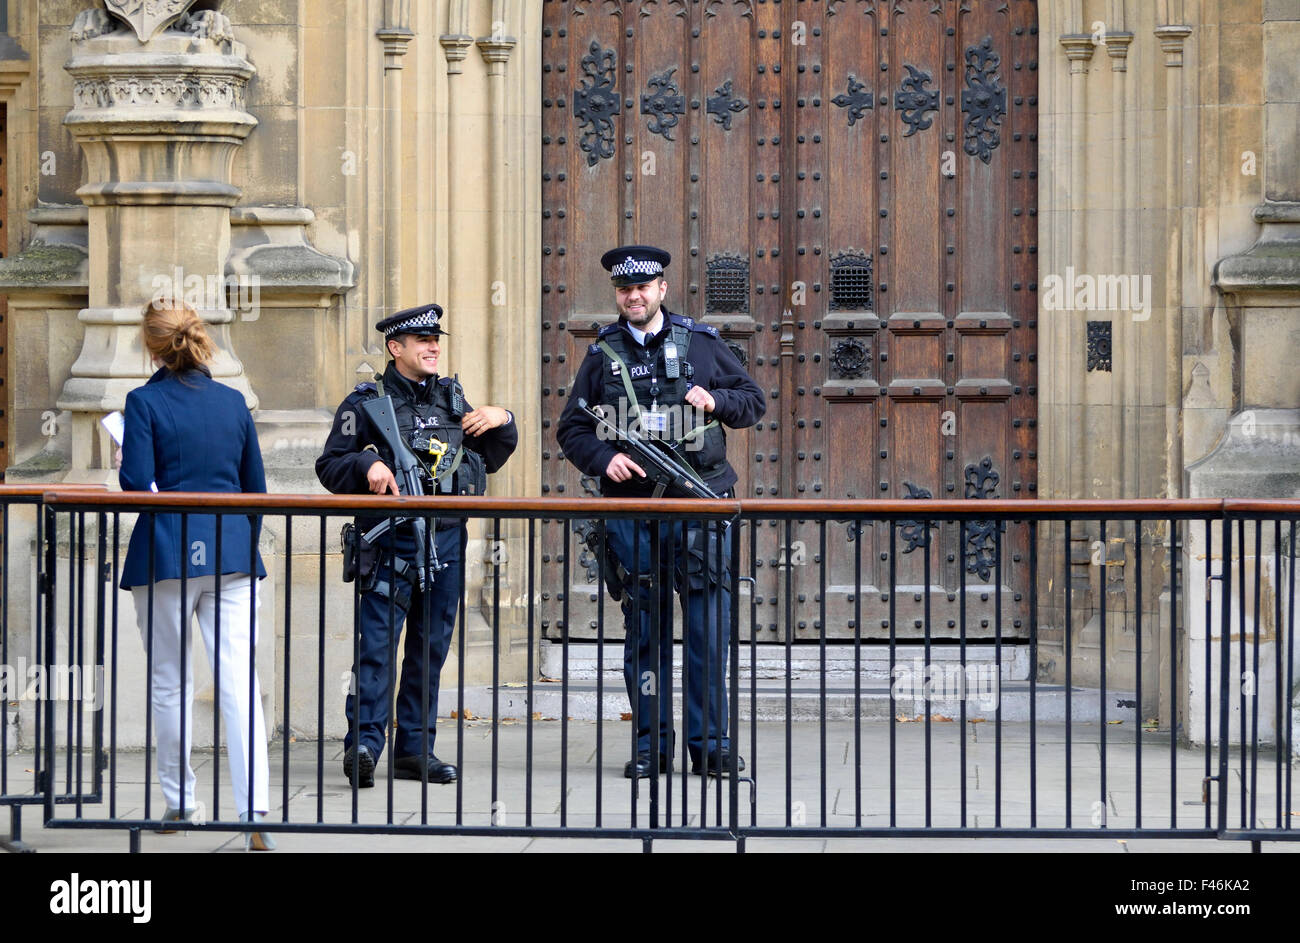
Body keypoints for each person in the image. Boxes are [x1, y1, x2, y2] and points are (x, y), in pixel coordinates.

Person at [557, 245, 765, 778]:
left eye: (643, 287)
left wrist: (715, 403)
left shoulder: (701, 344)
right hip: (634, 514)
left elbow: (752, 401)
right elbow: (572, 428)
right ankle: (652, 746)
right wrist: (608, 458)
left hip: (700, 507)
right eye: (625, 289)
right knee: (644, 633)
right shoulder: (602, 355)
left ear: (662, 290)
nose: (634, 296)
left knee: (706, 631)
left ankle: (711, 745)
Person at [316, 303, 517, 787]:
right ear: (395, 348)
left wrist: (502, 418)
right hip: (390, 545)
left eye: (436, 340)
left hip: (445, 542)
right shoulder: (365, 402)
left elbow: (489, 457)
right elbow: (330, 465)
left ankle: (414, 750)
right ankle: (364, 744)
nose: (433, 348)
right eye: (422, 341)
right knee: (378, 649)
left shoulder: (452, 399)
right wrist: (366, 468)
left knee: (429, 651)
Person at [118, 298, 274, 850]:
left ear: (152, 345)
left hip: (166, 552)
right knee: (240, 683)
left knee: (170, 681)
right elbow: (256, 487)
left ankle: (182, 802)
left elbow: (136, 482)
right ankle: (256, 812)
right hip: (231, 551)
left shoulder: (143, 401)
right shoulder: (233, 403)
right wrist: (240, 543)